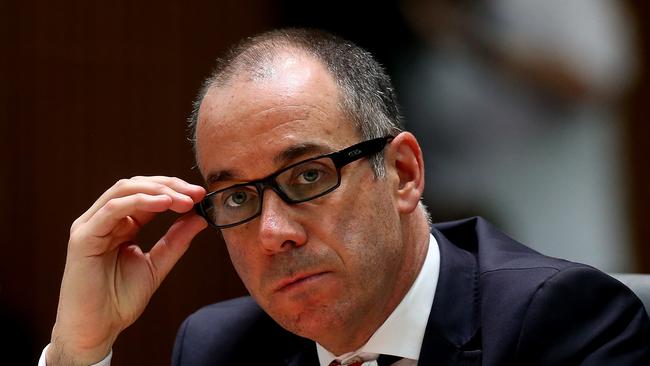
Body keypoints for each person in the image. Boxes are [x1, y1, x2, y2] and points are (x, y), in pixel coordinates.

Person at [41, 28, 649, 366]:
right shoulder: (221, 350)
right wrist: (79, 352)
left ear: (404, 173)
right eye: (236, 198)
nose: (273, 231)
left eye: (307, 177)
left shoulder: (563, 323)